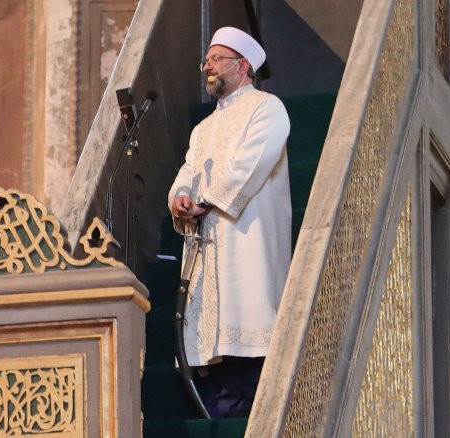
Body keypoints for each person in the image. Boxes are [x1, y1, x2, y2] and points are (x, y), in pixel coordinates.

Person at [167, 26, 291, 418]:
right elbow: (188, 170)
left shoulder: (266, 108)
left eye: (217, 59)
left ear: (244, 66)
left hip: (245, 240)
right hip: (206, 243)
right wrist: (180, 199)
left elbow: (250, 164)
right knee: (214, 354)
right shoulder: (203, 129)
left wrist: (205, 200)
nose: (208, 67)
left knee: (249, 340)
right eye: (207, 60)